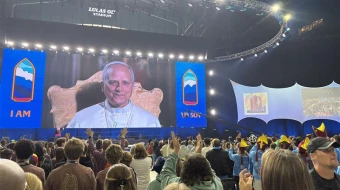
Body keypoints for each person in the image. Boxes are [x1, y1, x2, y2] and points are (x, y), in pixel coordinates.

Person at [67, 61, 161, 128]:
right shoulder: (81, 119)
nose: (119, 88)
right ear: (103, 86)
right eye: (113, 82)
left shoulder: (150, 122)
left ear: (132, 87)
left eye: (125, 83)